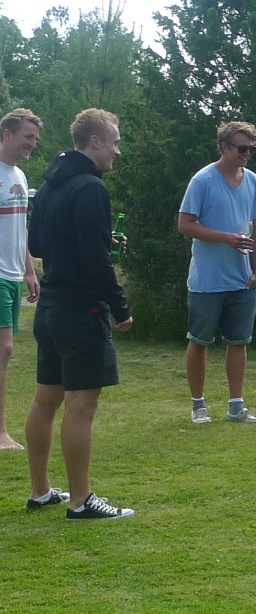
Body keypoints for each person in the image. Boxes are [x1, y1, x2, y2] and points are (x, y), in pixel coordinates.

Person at [24, 108, 134, 519]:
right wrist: (119, 306)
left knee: (45, 401)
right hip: (82, 310)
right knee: (81, 407)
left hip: (50, 308)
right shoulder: (90, 187)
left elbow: (37, 245)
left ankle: (40, 491)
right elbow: (94, 259)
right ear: (95, 142)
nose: (117, 151)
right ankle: (81, 500)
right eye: (115, 143)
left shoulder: (49, 186)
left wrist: (99, 241)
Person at [178, 121, 256, 425]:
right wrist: (226, 238)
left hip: (242, 279)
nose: (247, 154)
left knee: (239, 341)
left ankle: (236, 406)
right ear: (224, 147)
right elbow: (185, 225)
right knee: (199, 340)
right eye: (242, 148)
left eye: (252, 149)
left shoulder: (252, 181)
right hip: (207, 279)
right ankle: (198, 405)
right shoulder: (202, 180)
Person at [0, 109, 42, 451]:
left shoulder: (21, 176)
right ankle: (0, 433)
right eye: (28, 137)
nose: (33, 144)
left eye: (35, 139)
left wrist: (29, 270)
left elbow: (20, 226)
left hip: (14, 275)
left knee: (4, 351)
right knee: (4, 349)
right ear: (7, 134)